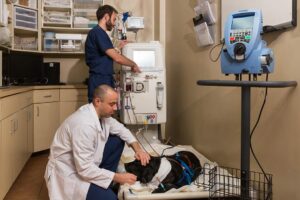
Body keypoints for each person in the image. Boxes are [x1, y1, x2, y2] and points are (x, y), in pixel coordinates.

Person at [44, 84, 150, 200]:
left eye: (116, 104)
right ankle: (105, 184)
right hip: (69, 172)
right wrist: (118, 177)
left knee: (118, 140)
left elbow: (122, 130)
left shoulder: (102, 116)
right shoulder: (83, 125)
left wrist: (138, 150)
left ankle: (106, 183)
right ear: (98, 101)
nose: (115, 108)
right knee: (110, 198)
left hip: (84, 164)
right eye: (112, 104)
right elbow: (84, 169)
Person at [85, 5, 141, 103]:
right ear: (106, 17)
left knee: (106, 113)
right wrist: (133, 64)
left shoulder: (99, 34)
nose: (114, 23)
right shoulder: (98, 33)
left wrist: (118, 47)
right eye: (114, 19)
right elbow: (117, 58)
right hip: (100, 80)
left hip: (103, 78)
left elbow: (104, 55)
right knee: (99, 114)